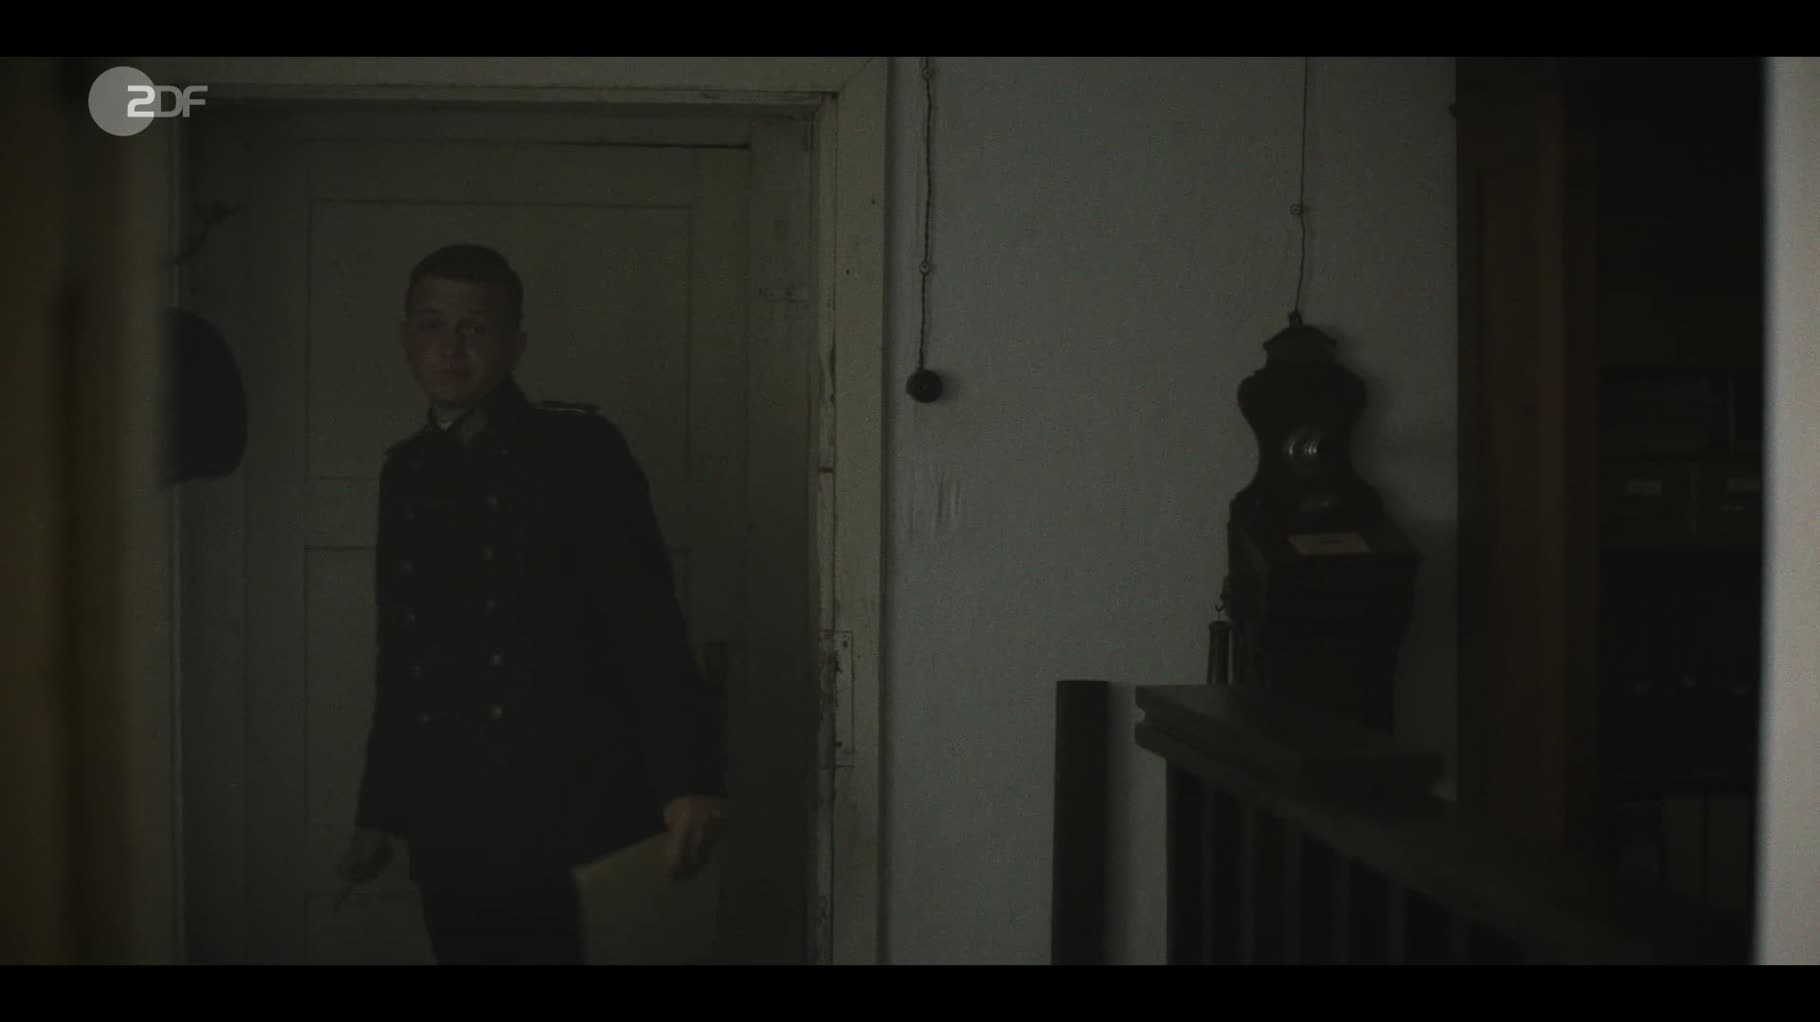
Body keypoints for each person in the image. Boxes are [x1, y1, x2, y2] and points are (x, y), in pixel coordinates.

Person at [336, 243, 728, 965]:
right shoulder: (406, 471)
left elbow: (646, 623)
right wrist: (379, 810)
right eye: (431, 325)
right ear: (405, 337)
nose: (450, 349)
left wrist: (688, 780)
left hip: (565, 810)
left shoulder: (577, 450)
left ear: (515, 344)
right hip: (449, 820)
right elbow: (405, 660)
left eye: (475, 328)